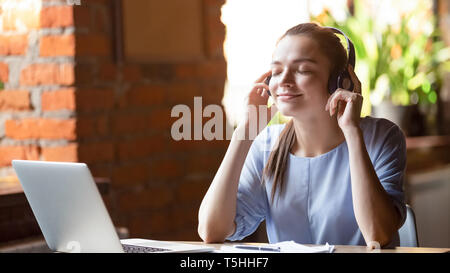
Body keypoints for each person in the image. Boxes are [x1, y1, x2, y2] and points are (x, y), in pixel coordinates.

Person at [197, 22, 406, 248]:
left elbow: (379, 236)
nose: (284, 81)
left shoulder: (382, 137)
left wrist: (352, 132)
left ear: (340, 81)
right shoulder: (266, 145)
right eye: (276, 71)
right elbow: (211, 230)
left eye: (303, 70)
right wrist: (245, 133)